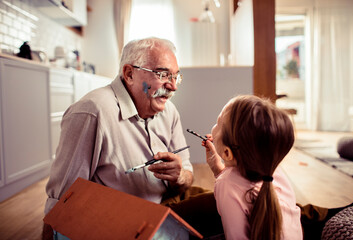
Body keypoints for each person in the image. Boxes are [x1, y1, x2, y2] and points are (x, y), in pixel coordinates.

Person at [43, 37, 223, 239]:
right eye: (163, 74)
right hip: (126, 221)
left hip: (166, 200)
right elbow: (63, 198)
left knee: (228, 205)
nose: (173, 86)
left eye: (176, 76)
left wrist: (179, 175)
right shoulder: (92, 112)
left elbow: (187, 175)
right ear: (129, 74)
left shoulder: (169, 111)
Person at [201, 95, 303, 240]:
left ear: (227, 152)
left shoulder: (226, 183)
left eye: (218, 123)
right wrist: (219, 170)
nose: (214, 127)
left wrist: (222, 176)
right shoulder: (274, 171)